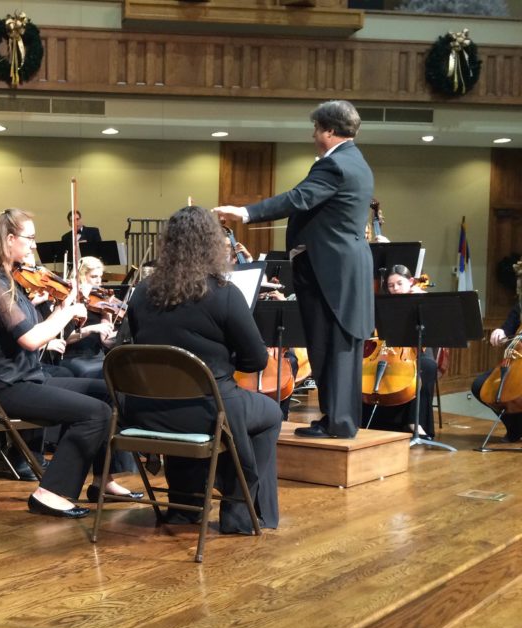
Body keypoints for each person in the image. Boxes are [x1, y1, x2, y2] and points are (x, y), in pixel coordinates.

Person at [214, 99, 374, 440]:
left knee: (330, 344)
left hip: (331, 273)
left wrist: (244, 213)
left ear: (329, 131)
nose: (313, 135)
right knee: (336, 345)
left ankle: (338, 423)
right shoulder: (356, 161)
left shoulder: (335, 165)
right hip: (342, 269)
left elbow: (297, 198)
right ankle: (338, 420)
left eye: (316, 128)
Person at [126, 206, 282, 533]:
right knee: (270, 413)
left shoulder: (142, 292)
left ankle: (186, 507)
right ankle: (242, 514)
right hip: (209, 412)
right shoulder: (224, 293)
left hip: (148, 411)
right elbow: (256, 360)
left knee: (195, 399)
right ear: (211, 244)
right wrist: (227, 363)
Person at [0, 208, 137, 519]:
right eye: (30, 238)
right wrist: (67, 311)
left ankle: (103, 480)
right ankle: (49, 492)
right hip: (7, 385)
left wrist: (63, 307)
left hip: (30, 376)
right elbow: (31, 339)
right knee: (95, 413)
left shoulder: (14, 280)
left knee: (109, 392)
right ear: (9, 239)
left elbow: (37, 328)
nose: (34, 246)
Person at [362, 264, 438, 437]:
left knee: (427, 367)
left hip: (415, 349)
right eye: (390, 286)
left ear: (410, 281)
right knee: (364, 369)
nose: (395, 289)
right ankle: (368, 419)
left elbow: (432, 329)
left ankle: (414, 421)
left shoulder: (420, 300)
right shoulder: (384, 304)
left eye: (399, 284)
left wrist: (422, 301)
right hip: (387, 348)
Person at [471, 295, 522, 443]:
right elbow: (509, 326)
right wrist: (501, 332)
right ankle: (515, 427)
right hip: (516, 361)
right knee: (480, 385)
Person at [61, 256, 117, 378]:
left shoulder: (101, 301)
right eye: (94, 277)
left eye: (100, 276)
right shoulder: (68, 299)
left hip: (97, 355)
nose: (98, 281)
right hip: (73, 356)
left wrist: (118, 335)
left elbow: (105, 341)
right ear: (81, 276)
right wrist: (90, 329)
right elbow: (65, 338)